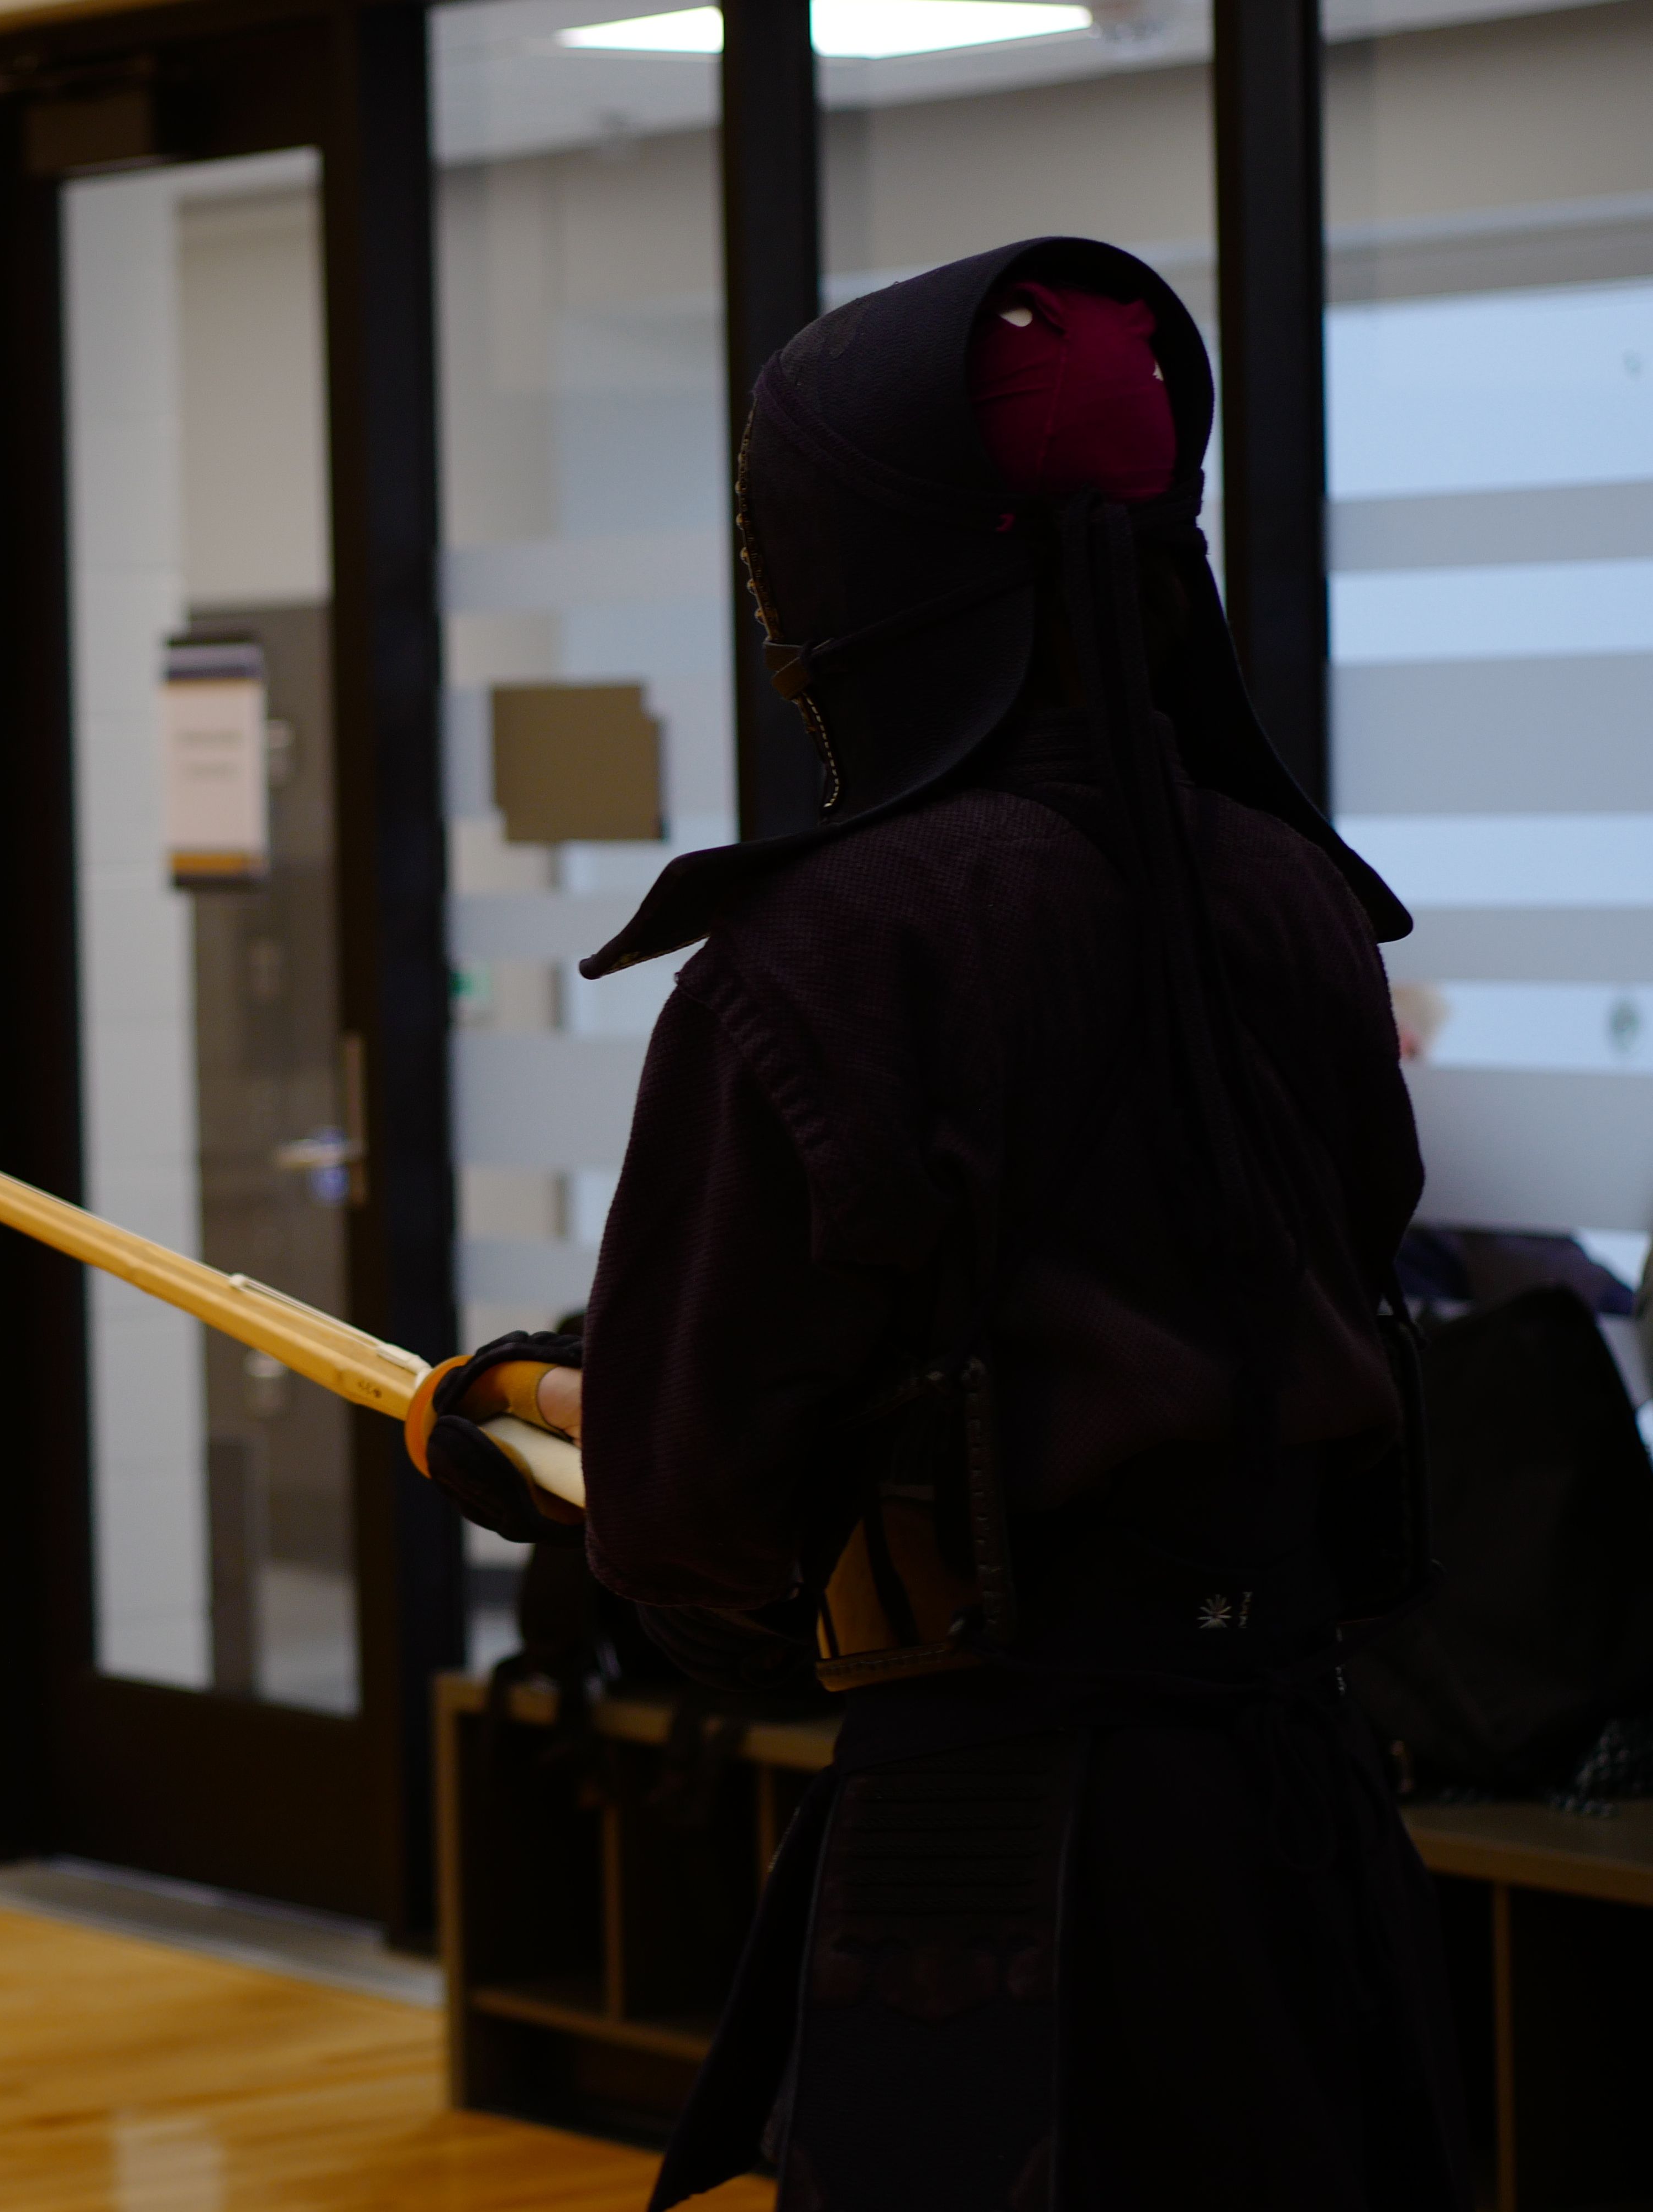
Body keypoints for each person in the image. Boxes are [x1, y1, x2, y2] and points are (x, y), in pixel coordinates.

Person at [414, 240, 1471, 2209]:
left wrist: (549, 1421)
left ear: (843, 568)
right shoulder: (1305, 903)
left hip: (996, 1863)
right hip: (1308, 1820)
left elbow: (697, 1522)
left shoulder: (830, 949)